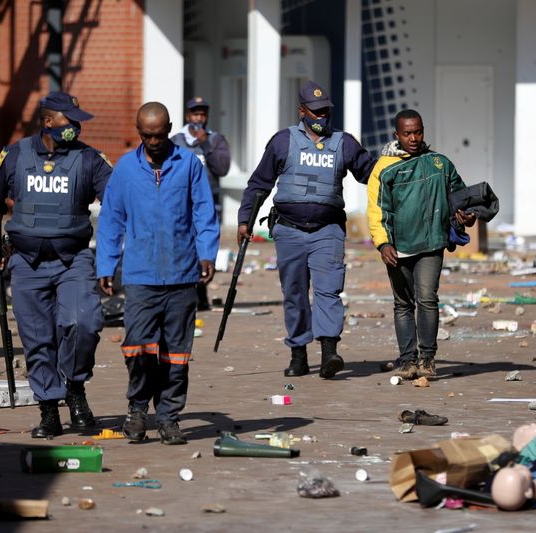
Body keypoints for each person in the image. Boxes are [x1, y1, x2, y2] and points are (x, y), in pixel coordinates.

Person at [0, 91, 111, 438]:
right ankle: (49, 408)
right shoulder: (16, 155)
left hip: (73, 260)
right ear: (48, 122)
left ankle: (75, 387)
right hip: (26, 261)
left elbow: (117, 200)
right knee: (37, 341)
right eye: (69, 121)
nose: (75, 127)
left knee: (84, 322)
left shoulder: (89, 159)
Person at [96, 102, 219, 445]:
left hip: (181, 275)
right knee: (137, 347)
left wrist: (207, 254)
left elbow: (204, 213)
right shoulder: (124, 170)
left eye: (159, 134)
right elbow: (111, 221)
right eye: (147, 135)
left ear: (169, 130)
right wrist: (106, 265)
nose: (153, 141)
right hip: (140, 276)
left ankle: (168, 417)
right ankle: (137, 410)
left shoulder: (189, 166)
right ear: (139, 133)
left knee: (177, 353)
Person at [236, 80, 375, 379]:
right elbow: (259, 184)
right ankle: (298, 354)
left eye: (326, 111)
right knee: (295, 293)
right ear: (301, 111)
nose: (321, 117)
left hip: (328, 230)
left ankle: (329, 353)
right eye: (315, 112)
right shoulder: (282, 142)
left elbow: (370, 174)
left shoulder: (345, 142)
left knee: (328, 291)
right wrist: (245, 219)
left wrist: (396, 167)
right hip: (289, 230)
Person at [367, 109, 476, 380]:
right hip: (398, 247)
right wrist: (383, 244)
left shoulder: (439, 163)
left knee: (427, 299)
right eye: (407, 133)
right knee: (403, 303)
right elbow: (377, 210)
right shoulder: (384, 168)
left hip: (431, 244)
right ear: (397, 135)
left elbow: (459, 198)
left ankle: (427, 359)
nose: (413, 138)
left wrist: (466, 215)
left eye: (418, 132)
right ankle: (407, 361)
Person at [170, 96, 231, 311]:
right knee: (184, 248)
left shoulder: (216, 140)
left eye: (202, 114)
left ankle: (201, 293)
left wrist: (205, 142)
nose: (199, 118)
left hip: (207, 205)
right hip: (180, 205)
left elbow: (222, 169)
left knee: (203, 248)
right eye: (195, 114)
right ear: (188, 116)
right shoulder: (176, 141)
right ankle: (188, 294)